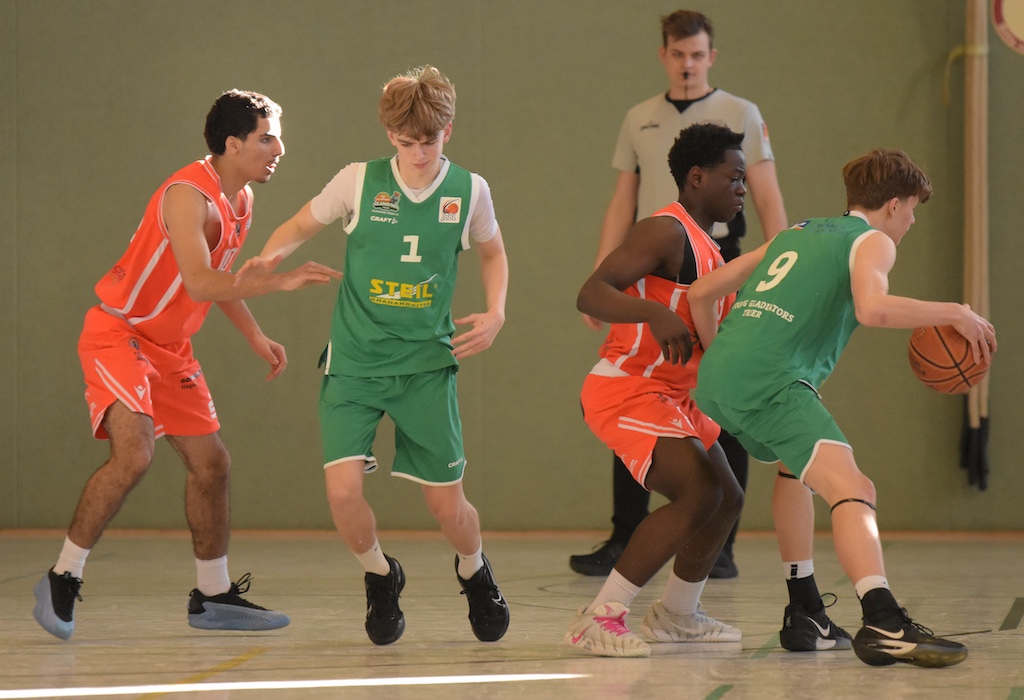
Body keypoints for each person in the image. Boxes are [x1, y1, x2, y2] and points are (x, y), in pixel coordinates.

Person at [33, 90, 344, 641]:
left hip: (170, 348)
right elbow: (200, 281)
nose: (280, 148)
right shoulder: (187, 195)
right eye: (266, 138)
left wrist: (255, 335)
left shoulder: (241, 199)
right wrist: (279, 280)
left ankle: (212, 595)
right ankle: (62, 576)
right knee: (134, 454)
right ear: (232, 143)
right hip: (119, 334)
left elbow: (217, 279)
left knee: (213, 465)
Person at [689, 148, 993, 667]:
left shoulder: (799, 231)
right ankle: (884, 621)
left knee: (795, 472)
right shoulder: (872, 241)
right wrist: (954, 311)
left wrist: (724, 356)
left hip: (718, 376)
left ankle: (804, 607)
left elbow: (701, 291)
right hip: (772, 381)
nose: (913, 221)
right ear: (893, 205)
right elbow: (873, 308)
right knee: (854, 488)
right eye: (913, 209)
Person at [256, 65, 510, 646]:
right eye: (405, 143)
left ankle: (474, 570)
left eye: (430, 141)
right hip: (355, 362)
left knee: (449, 510)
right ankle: (380, 575)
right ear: (388, 135)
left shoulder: (469, 190)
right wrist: (268, 265)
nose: (419, 154)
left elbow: (493, 254)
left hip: (425, 368)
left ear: (449, 129)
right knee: (343, 493)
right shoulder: (357, 182)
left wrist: (496, 311)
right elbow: (298, 224)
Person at [572, 8, 792, 580]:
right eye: (678, 54)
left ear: (711, 56)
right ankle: (626, 546)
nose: (688, 64)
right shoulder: (640, 124)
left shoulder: (741, 115)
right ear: (664, 55)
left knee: (716, 401)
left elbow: (766, 198)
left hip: (714, 261)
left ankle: (708, 559)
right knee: (667, 431)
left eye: (698, 54)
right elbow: (622, 207)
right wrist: (614, 284)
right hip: (656, 268)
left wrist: (778, 271)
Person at [565, 123, 747, 658]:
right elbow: (590, 293)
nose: (742, 188)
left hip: (675, 397)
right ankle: (598, 618)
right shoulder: (666, 231)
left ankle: (677, 616)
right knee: (697, 493)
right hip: (630, 388)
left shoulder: (712, 252)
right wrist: (650, 312)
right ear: (697, 178)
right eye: (733, 177)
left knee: (726, 497)